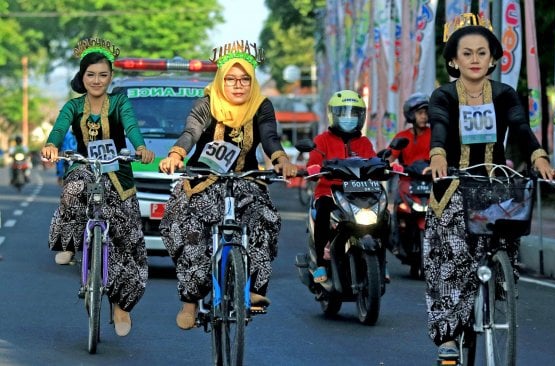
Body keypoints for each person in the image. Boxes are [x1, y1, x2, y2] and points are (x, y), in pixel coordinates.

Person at [424, 13, 555, 359]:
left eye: (481, 53)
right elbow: (438, 126)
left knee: (509, 229)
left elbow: (520, 127)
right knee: (451, 257)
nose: (474, 60)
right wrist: (437, 156)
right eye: (466, 53)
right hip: (452, 183)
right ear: (453, 60)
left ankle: (497, 280)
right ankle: (449, 339)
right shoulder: (443, 95)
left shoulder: (504, 94)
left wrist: (539, 156)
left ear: (494, 58)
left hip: (493, 184)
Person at [158, 40, 298, 330]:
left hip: (245, 180)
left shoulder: (262, 105)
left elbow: (270, 137)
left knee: (265, 218)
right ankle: (190, 302)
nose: (238, 85)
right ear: (222, 80)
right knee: (190, 230)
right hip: (203, 180)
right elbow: (191, 132)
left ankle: (256, 288)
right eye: (232, 79)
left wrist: (280, 158)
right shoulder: (206, 103)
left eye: (245, 79)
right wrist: (176, 154)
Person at [40, 37, 155, 337]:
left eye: (103, 75)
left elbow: (131, 126)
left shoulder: (119, 102)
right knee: (73, 189)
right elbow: (58, 129)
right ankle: (68, 245)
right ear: (82, 77)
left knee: (127, 241)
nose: (97, 80)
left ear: (111, 77)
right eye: (91, 74)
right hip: (84, 167)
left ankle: (121, 307)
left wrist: (141, 147)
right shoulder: (73, 105)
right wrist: (52, 145)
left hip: (117, 173)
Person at [305, 89, 376, 283]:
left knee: (382, 216)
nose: (348, 118)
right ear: (333, 115)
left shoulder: (364, 142)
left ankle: (379, 261)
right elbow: (315, 160)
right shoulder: (322, 140)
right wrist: (313, 167)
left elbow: (373, 160)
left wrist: (386, 165)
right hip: (329, 192)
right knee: (322, 213)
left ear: (361, 117)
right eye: (343, 113)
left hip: (359, 192)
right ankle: (320, 263)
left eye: (353, 113)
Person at [387, 92, 431, 253]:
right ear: (411, 115)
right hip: (407, 181)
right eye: (420, 113)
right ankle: (397, 243)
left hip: (431, 181)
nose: (424, 117)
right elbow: (390, 158)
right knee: (397, 209)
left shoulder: (435, 135)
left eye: (426, 113)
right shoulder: (401, 136)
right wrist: (386, 166)